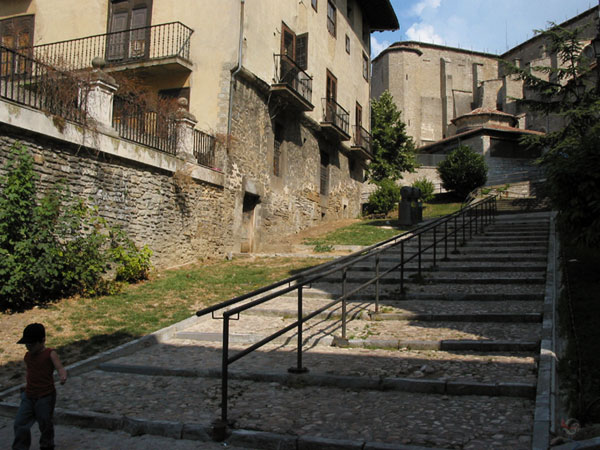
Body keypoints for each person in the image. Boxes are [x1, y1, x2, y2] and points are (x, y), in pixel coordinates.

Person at [13, 323, 67, 450]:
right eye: (26, 344)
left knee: (45, 423)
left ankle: (47, 445)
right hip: (29, 395)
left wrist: (62, 376)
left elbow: (60, 367)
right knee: (20, 423)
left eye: (31, 344)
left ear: (42, 341)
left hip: (45, 396)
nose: (28, 347)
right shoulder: (28, 356)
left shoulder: (50, 354)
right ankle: (20, 447)